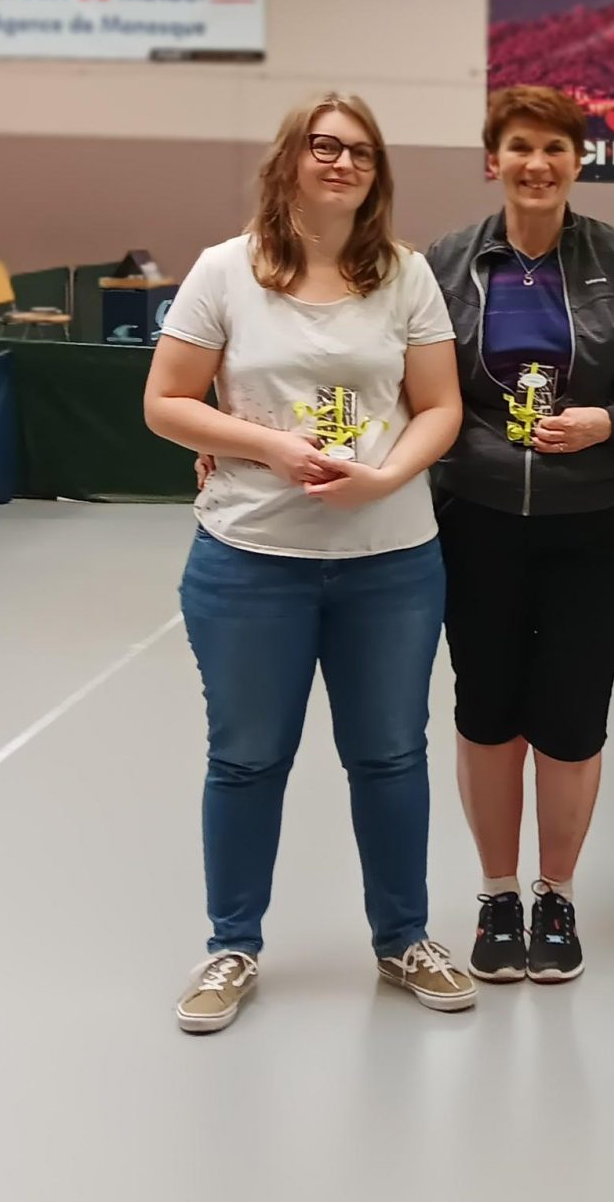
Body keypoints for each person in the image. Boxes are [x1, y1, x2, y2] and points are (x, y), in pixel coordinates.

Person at [143, 93, 469, 1032]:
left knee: (391, 755)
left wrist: (384, 477)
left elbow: (440, 406)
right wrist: (271, 446)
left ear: (378, 175)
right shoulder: (224, 271)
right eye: (324, 147)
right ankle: (231, 948)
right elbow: (166, 402)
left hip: (391, 562)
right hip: (251, 560)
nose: (341, 163)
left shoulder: (405, 275)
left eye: (360, 153)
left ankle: (403, 938)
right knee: (246, 760)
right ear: (290, 160)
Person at [427, 87, 614, 986]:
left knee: (571, 722)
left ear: (579, 161)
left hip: (594, 521)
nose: (538, 164)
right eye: (519, 147)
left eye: (555, 149)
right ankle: (497, 894)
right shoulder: (448, 261)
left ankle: (557, 894)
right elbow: (422, 389)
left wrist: (605, 423)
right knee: (488, 713)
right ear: (494, 159)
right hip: (473, 519)